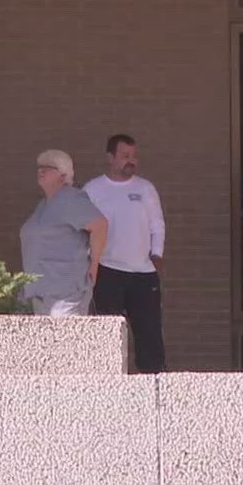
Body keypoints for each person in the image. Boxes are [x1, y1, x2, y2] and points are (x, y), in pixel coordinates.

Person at [84, 134, 168, 373]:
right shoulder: (93, 189)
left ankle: (154, 385)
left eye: (134, 156)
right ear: (110, 157)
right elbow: (83, 228)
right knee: (108, 333)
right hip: (107, 270)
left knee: (149, 333)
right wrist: (92, 263)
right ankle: (109, 381)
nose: (131, 161)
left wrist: (157, 254)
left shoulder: (145, 188)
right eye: (125, 156)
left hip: (143, 273)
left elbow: (157, 224)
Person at [19, 149, 107, 316]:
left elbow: (100, 225)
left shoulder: (71, 198)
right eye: (39, 167)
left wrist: (94, 264)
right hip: (41, 294)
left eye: (49, 167)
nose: (41, 171)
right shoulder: (44, 205)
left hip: (64, 295)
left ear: (63, 174)